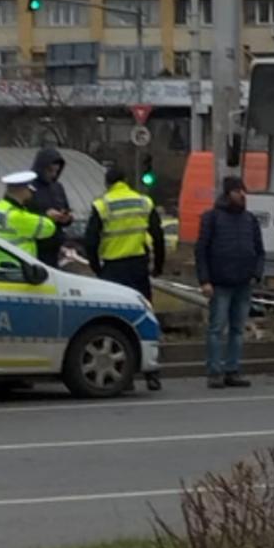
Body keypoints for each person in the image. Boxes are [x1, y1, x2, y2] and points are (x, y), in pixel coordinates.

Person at [85, 164, 167, 390]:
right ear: (126, 180)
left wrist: (96, 268)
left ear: (107, 184)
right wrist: (158, 266)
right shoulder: (143, 202)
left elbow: (90, 241)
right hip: (138, 267)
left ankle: (125, 376)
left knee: (116, 322)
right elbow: (158, 237)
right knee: (145, 317)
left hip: (113, 271)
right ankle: (152, 373)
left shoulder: (102, 205)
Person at [195, 176, 265, 391]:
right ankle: (215, 372)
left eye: (243, 191)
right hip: (220, 283)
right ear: (228, 194)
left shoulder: (250, 220)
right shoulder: (212, 218)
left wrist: (256, 273)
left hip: (243, 282)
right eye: (237, 191)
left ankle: (232, 369)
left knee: (237, 329)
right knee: (217, 328)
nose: (242, 195)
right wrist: (205, 280)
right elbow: (201, 250)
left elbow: (259, 250)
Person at [0, 171, 59, 259]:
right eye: (30, 189)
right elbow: (48, 228)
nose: (32, 192)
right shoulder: (15, 216)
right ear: (22, 190)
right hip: (14, 265)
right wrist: (48, 216)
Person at [26, 148, 74, 267]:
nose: (53, 174)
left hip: (55, 246)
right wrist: (45, 215)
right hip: (35, 247)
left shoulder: (57, 187)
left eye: (56, 171)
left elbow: (65, 208)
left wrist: (66, 218)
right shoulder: (28, 187)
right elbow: (21, 216)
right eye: (50, 170)